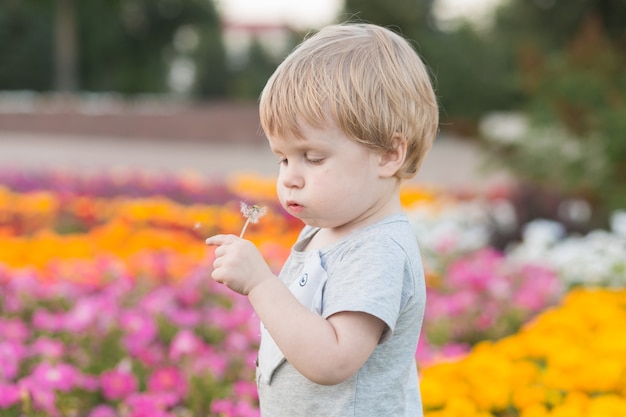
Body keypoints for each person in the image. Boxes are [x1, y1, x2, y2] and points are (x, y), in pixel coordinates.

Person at [206, 21, 439, 417]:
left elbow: (332, 359)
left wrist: (262, 284)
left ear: (387, 155)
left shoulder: (377, 251)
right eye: (282, 158)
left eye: (313, 158)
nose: (290, 178)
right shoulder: (328, 228)